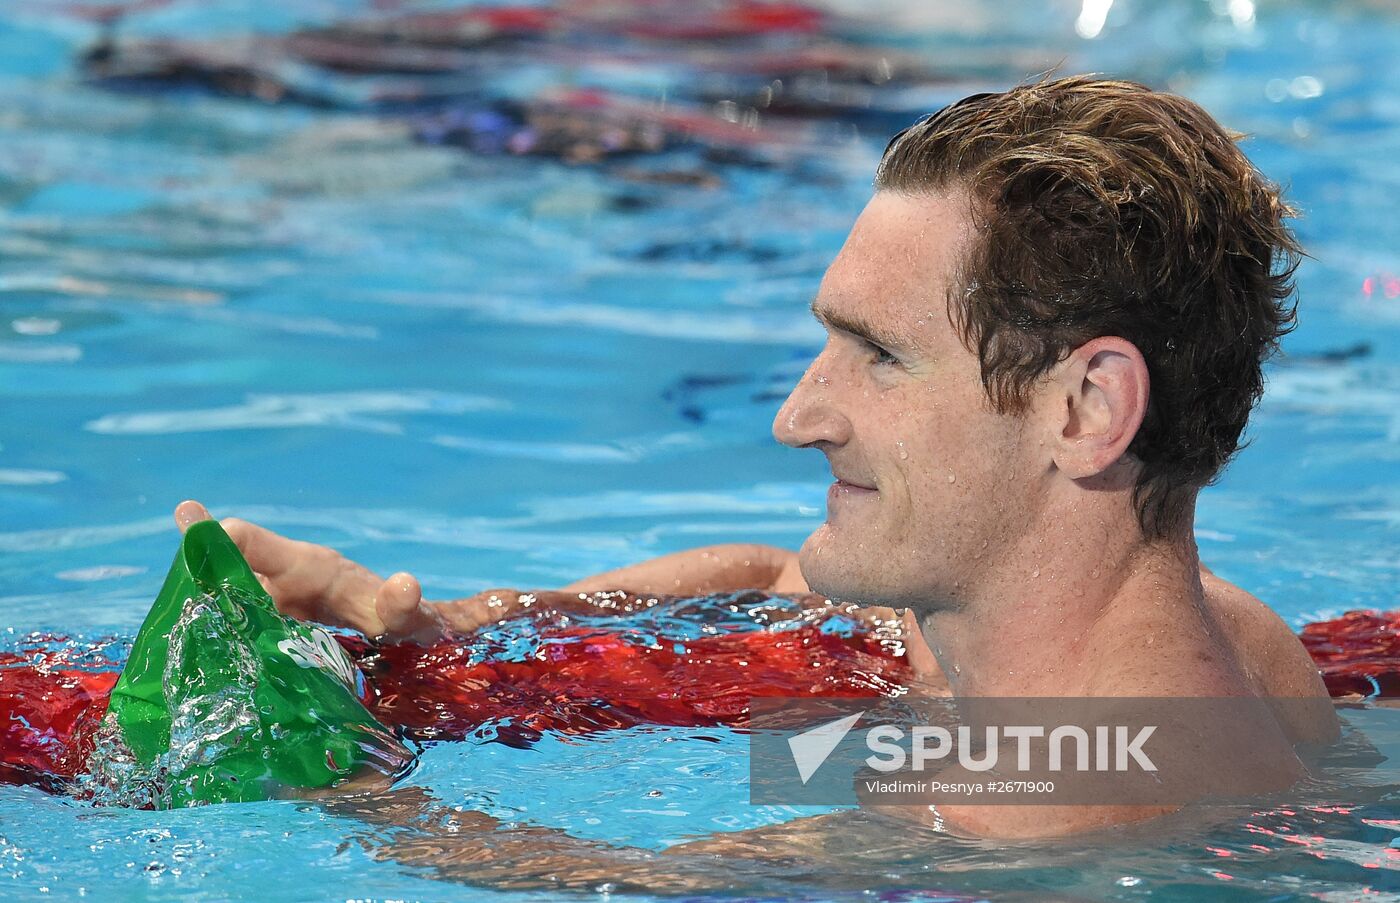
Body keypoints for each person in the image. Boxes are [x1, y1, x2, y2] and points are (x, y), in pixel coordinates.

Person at [173, 75, 1338, 839]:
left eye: (877, 355)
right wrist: (473, 629)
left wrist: (356, 789)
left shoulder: (1043, 810)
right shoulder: (1207, 643)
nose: (797, 414)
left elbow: (622, 888)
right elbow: (765, 574)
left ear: (1084, 410)